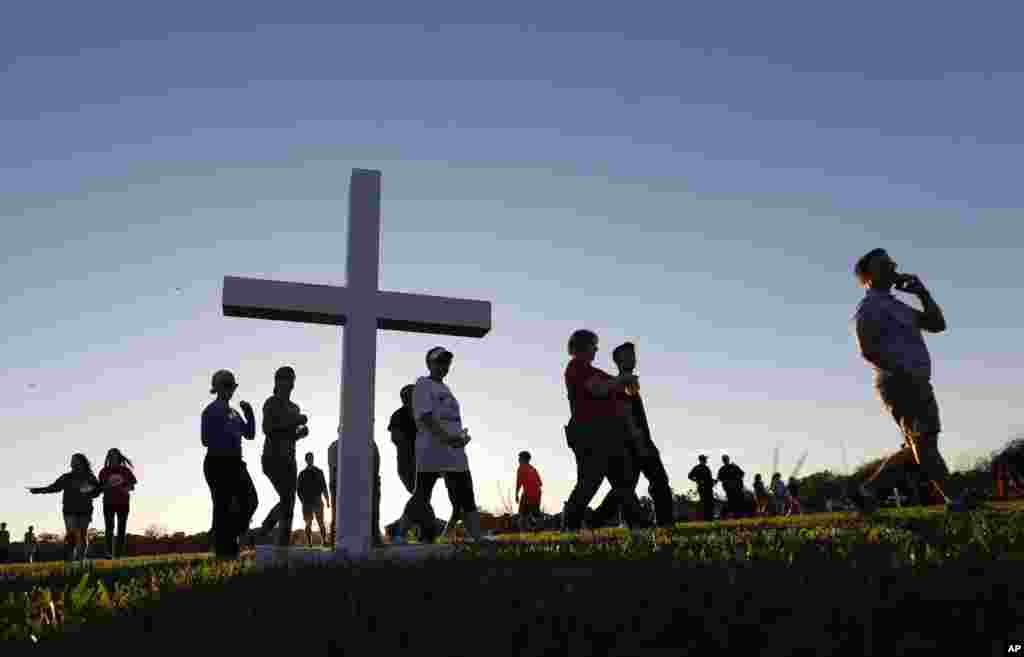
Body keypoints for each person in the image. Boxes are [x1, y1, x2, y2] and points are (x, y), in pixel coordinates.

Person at [848, 248, 971, 513]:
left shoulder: (896, 305)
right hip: (900, 382)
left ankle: (868, 490)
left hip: (915, 380)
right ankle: (955, 499)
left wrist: (922, 293)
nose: (892, 267)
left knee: (922, 443)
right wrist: (902, 373)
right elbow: (867, 348)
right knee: (924, 441)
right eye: (884, 265)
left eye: (892, 263)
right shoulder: (869, 306)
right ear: (867, 276)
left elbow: (937, 324)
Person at [562, 330, 648, 532]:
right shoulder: (576, 367)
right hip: (588, 434)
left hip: (607, 436)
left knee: (623, 481)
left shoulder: (594, 371)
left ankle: (637, 525)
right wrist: (621, 380)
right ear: (583, 346)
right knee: (589, 483)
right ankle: (570, 527)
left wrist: (627, 383)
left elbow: (623, 389)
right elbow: (598, 389)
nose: (596, 349)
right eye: (594, 344)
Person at [399, 347, 484, 543]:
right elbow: (425, 417)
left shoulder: (446, 389)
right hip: (432, 450)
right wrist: (447, 438)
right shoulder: (423, 384)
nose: (443, 366)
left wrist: (460, 438)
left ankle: (478, 538)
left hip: (455, 452)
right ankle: (399, 534)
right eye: (438, 362)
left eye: (446, 363)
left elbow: (451, 419)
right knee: (422, 495)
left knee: (466, 492)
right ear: (429, 363)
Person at [590, 342, 675, 528]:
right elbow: (623, 414)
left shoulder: (630, 383)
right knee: (627, 489)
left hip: (642, 441)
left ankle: (665, 523)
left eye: (633, 355)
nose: (633, 359)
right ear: (618, 361)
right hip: (633, 445)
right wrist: (637, 441)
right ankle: (594, 520)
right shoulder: (618, 385)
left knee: (652, 483)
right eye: (628, 356)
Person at [201, 369, 257, 559]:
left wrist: (250, 415)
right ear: (216, 388)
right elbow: (206, 440)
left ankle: (224, 536)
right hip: (217, 462)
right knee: (222, 506)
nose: (229, 390)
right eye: (225, 385)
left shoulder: (234, 412)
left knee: (250, 500)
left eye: (231, 386)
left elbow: (249, 434)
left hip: (235, 463)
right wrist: (226, 431)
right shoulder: (210, 411)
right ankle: (224, 550)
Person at [258, 366, 308, 547]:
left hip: (290, 458)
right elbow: (268, 429)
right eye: (285, 379)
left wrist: (300, 434)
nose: (289, 382)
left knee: (289, 501)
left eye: (291, 379)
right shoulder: (271, 403)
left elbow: (289, 435)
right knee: (287, 500)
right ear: (277, 382)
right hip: (272, 458)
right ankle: (265, 530)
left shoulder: (295, 407)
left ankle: (281, 542)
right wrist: (295, 421)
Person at [29, 453, 104, 561]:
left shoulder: (90, 477)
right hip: (69, 510)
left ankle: (80, 559)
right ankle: (70, 558)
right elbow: (54, 487)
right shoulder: (67, 477)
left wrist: (90, 491)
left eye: (75, 460)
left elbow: (97, 491)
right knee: (71, 534)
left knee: (82, 534)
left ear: (82, 462)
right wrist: (38, 490)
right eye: (72, 460)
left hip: (85, 509)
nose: (72, 462)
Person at [388, 385, 440, 541]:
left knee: (422, 499)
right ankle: (400, 532)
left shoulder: (422, 415)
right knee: (420, 496)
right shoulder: (399, 415)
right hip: (408, 465)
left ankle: (426, 535)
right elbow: (396, 438)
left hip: (425, 464)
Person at [327, 431, 384, 548]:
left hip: (364, 481)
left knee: (370, 512)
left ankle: (373, 539)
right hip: (340, 483)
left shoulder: (369, 444)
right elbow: (335, 467)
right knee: (338, 514)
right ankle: (335, 541)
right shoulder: (335, 446)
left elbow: (376, 463)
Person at [98, 448, 137, 559]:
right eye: (110, 456)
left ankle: (118, 554)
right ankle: (108, 553)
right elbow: (100, 487)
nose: (113, 458)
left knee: (121, 528)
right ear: (108, 457)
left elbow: (132, 485)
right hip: (108, 502)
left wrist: (127, 488)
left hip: (123, 502)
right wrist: (106, 487)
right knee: (109, 528)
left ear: (119, 457)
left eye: (115, 456)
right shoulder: (104, 471)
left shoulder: (125, 470)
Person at [296, 452, 330, 547]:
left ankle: (324, 541)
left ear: (313, 459)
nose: (310, 459)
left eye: (311, 458)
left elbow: (324, 486)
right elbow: (298, 489)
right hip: (307, 501)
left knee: (321, 522)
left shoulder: (319, 472)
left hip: (317, 499)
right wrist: (303, 501)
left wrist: (327, 500)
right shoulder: (302, 474)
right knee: (308, 523)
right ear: (306, 460)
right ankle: (309, 542)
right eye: (309, 458)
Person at [515, 451, 543, 531]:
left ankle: (524, 531)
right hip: (537, 493)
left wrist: (516, 494)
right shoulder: (533, 469)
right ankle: (537, 528)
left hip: (528, 493)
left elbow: (518, 482)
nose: (518, 460)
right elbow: (540, 483)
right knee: (535, 513)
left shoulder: (521, 468)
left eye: (520, 458)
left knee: (522, 514)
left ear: (524, 459)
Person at [688, 455, 715, 521]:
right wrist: (697, 481)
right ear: (702, 460)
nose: (706, 460)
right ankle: (707, 518)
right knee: (705, 502)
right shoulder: (698, 468)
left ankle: (709, 517)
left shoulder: (706, 468)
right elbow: (690, 476)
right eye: (705, 459)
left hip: (708, 487)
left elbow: (709, 478)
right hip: (703, 487)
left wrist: (713, 481)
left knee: (709, 502)